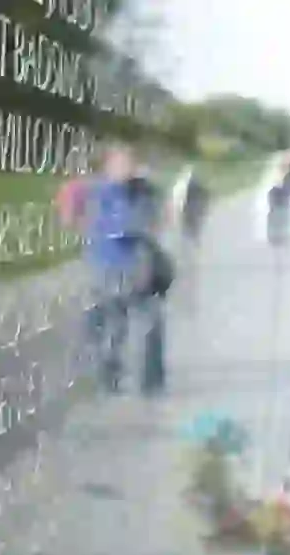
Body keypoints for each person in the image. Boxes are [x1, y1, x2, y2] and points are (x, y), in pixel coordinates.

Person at [66, 143, 167, 395]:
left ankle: (151, 382)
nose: (127, 167)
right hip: (107, 267)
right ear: (107, 166)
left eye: (130, 161)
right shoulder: (97, 191)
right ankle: (108, 378)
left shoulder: (143, 189)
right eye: (121, 162)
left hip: (140, 266)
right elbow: (73, 219)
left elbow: (159, 218)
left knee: (152, 322)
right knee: (114, 327)